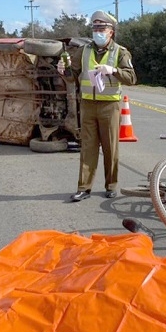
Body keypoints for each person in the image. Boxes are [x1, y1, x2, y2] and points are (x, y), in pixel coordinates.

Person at [57, 10, 137, 201]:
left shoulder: (120, 52)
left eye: (102, 28)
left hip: (110, 106)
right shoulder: (83, 51)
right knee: (88, 148)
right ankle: (84, 188)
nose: (97, 32)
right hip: (88, 105)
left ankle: (111, 185)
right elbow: (72, 77)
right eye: (95, 28)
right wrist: (63, 71)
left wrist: (114, 70)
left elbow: (132, 78)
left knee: (110, 147)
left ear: (111, 32)